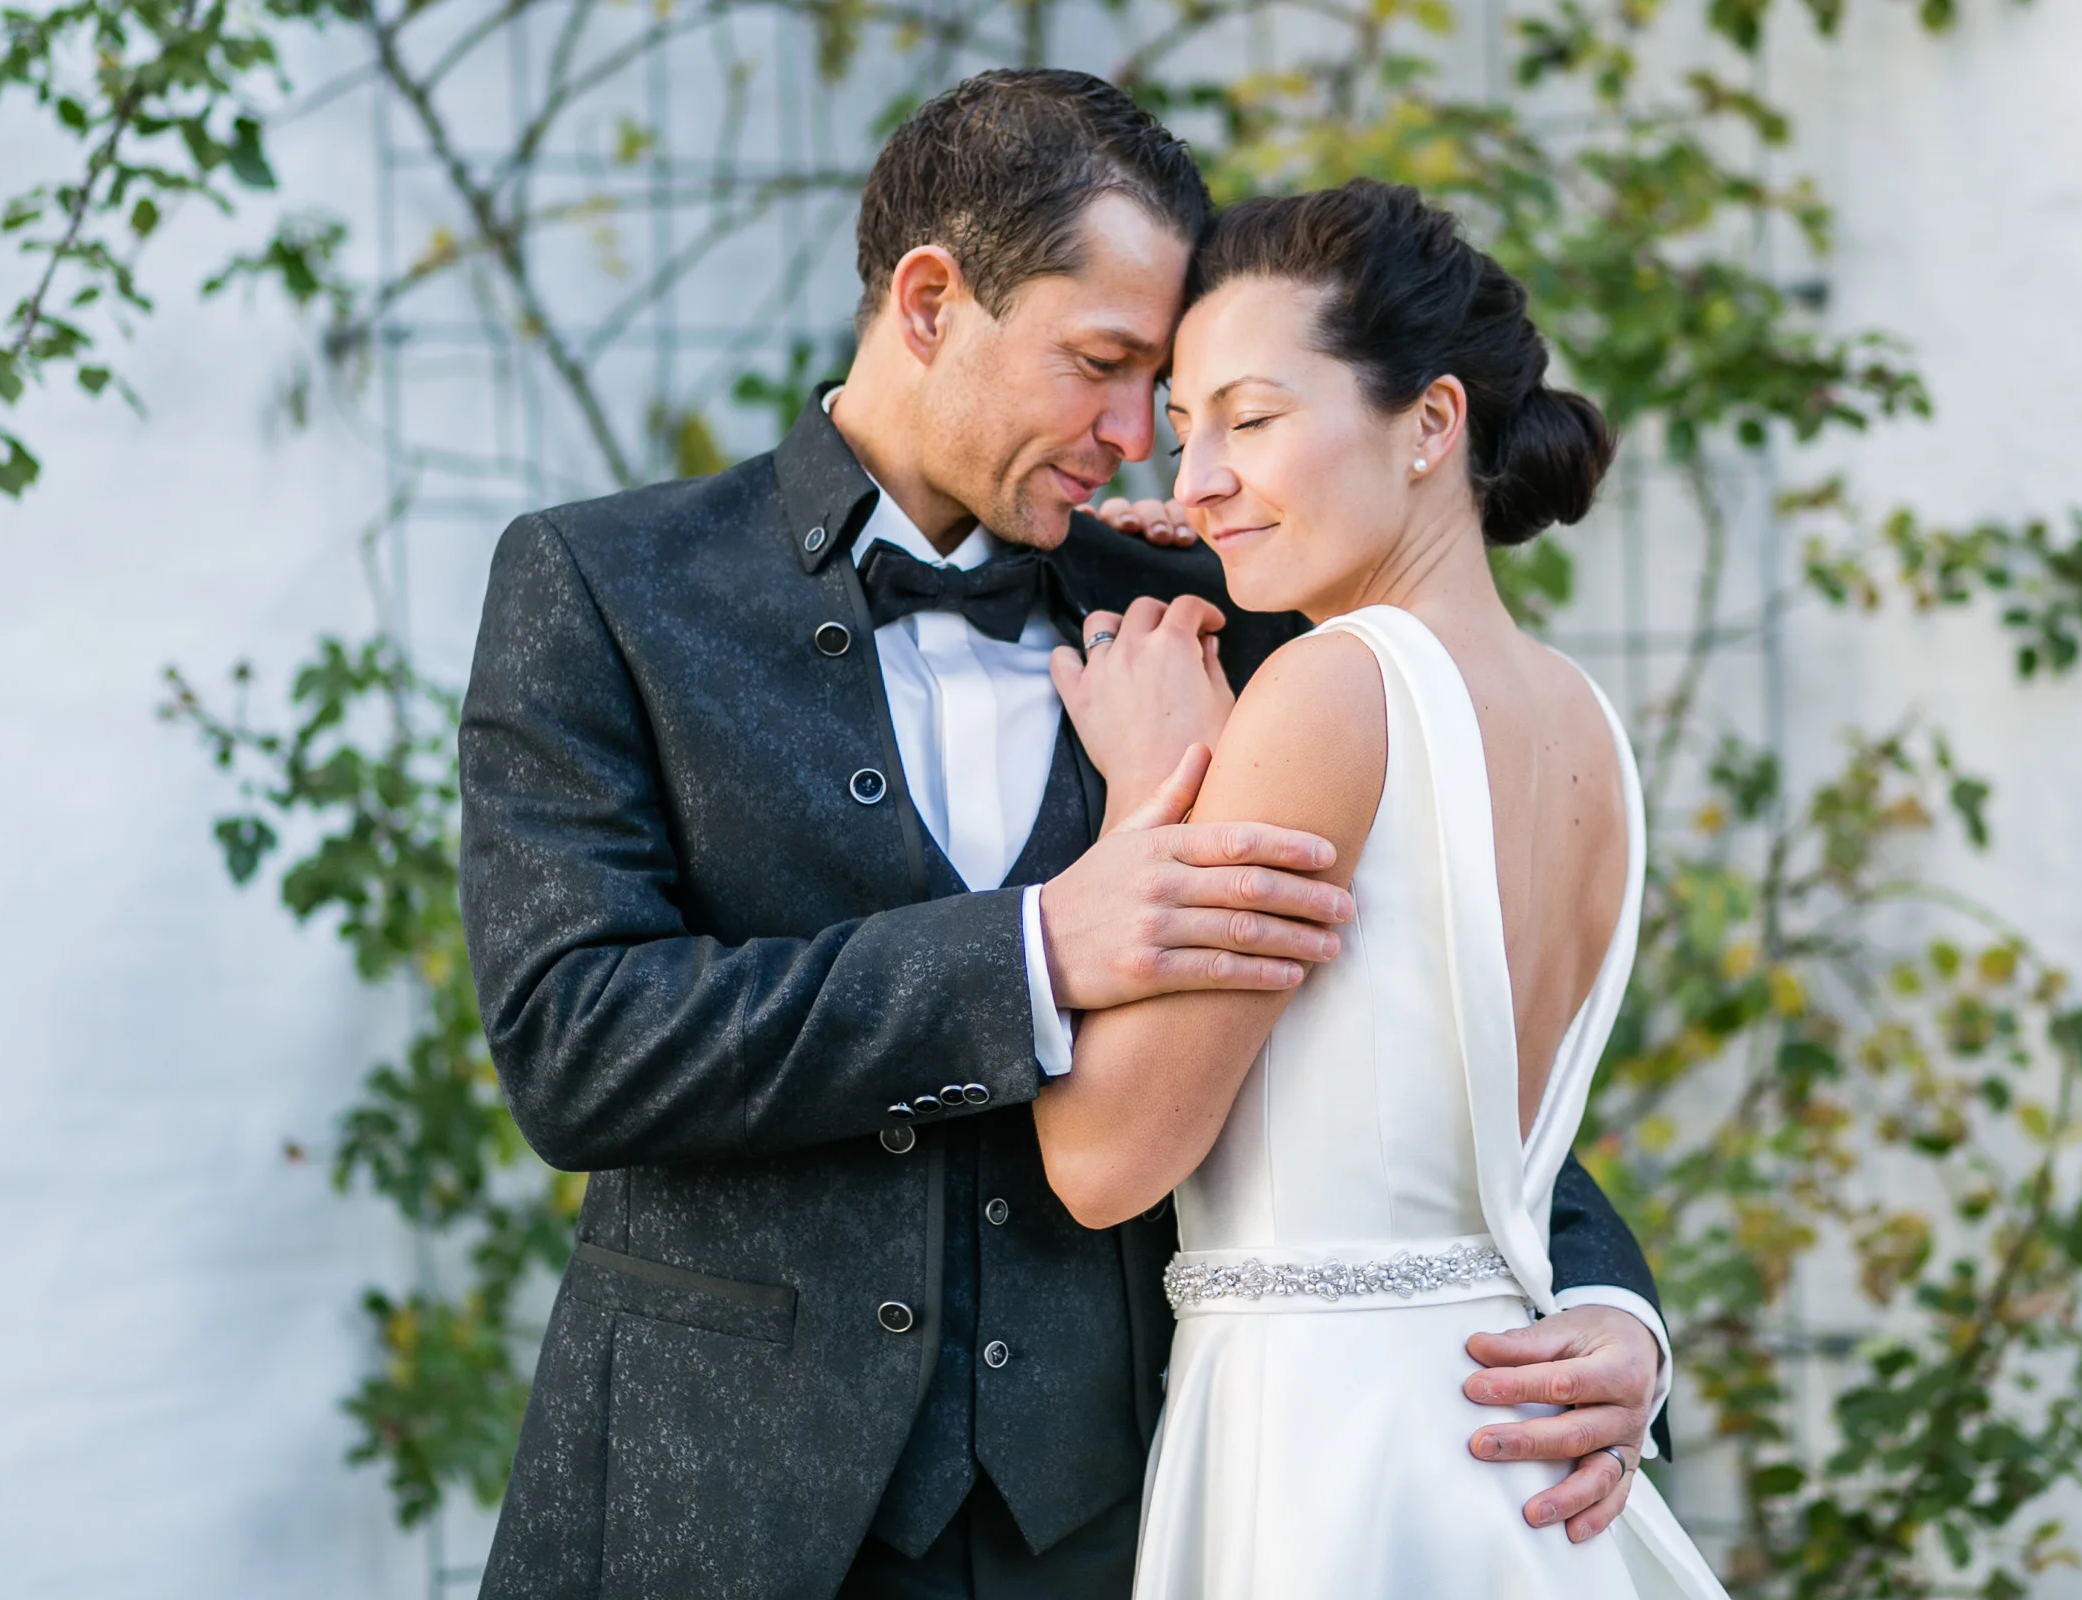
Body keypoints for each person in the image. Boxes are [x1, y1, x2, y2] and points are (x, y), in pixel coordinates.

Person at [457, 70, 1674, 1600]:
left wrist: (1614, 1308)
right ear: (929, 303)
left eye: (1168, 387)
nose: (1138, 439)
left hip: (1127, 1515)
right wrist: (1033, 950)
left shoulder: (1227, 610)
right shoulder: (605, 586)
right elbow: (574, 1044)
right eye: (1103, 367)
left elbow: (1403, 1024)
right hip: (721, 1510)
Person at [1035, 180, 1726, 1597]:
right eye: (1184, 427)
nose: (1195, 478)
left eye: (1252, 420)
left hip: (1329, 1451)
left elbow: (1103, 1165)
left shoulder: (1329, 691)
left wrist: (1151, 790)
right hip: (1504, 1456)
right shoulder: (1581, 719)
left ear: (1430, 422)